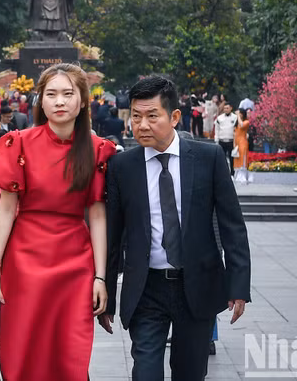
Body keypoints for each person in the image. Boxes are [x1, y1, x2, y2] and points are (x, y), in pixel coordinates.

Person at [100, 75, 251, 381]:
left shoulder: (207, 158)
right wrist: (108, 299)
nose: (141, 125)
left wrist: (238, 286)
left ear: (175, 116)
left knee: (190, 372)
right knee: (145, 372)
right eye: (136, 116)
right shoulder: (122, 167)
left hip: (195, 285)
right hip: (146, 289)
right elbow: (113, 236)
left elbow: (232, 225)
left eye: (152, 116)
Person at [0, 63, 116, 380]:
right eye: (51, 94)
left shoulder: (97, 150)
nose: (59, 101)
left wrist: (100, 277)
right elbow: (6, 209)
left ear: (83, 101)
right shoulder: (18, 143)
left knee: (69, 355)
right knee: (21, 351)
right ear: (40, 101)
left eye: (68, 94)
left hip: (75, 264)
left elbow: (97, 215)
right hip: (23, 262)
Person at [214, 103, 237, 175]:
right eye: (224, 108)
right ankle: (223, 173)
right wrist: (216, 138)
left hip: (231, 140)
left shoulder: (235, 117)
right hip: (222, 140)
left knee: (232, 158)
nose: (226, 110)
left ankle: (232, 173)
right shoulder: (219, 118)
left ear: (231, 108)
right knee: (222, 158)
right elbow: (217, 129)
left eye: (227, 108)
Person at [233, 108, 252, 183]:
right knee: (237, 158)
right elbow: (235, 134)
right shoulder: (236, 123)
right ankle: (237, 175)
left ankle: (243, 176)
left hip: (242, 142)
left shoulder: (246, 122)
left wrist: (238, 115)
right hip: (237, 142)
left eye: (240, 113)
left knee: (242, 158)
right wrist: (234, 144)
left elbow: (241, 125)